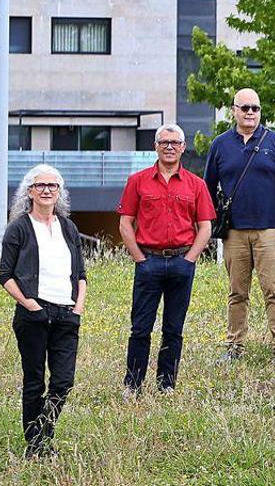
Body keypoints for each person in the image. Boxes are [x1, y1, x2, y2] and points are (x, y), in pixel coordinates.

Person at [204, 88, 275, 365]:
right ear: (233, 110)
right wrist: (211, 225)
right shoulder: (220, 145)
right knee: (237, 293)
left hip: (270, 230)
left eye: (255, 108)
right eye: (244, 108)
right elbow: (207, 187)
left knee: (274, 290)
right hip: (233, 232)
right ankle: (234, 346)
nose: (250, 113)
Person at [0, 165, 87, 459]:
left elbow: (81, 274)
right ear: (30, 192)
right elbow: (5, 275)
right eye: (40, 185)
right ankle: (36, 445)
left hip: (66, 314)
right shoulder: (19, 228)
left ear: (60, 192)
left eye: (53, 185)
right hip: (33, 315)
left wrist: (78, 308)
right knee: (34, 380)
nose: (47, 190)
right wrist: (30, 305)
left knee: (63, 381)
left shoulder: (68, 228)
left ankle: (42, 433)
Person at [117, 124, 215, 394]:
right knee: (140, 327)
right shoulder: (137, 181)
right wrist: (140, 259)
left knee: (174, 328)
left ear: (183, 147)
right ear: (155, 146)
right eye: (164, 142)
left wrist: (190, 260)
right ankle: (133, 385)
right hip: (149, 261)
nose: (169, 147)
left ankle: (166, 384)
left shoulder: (196, 185)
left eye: (175, 142)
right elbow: (126, 224)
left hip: (182, 262)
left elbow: (205, 227)